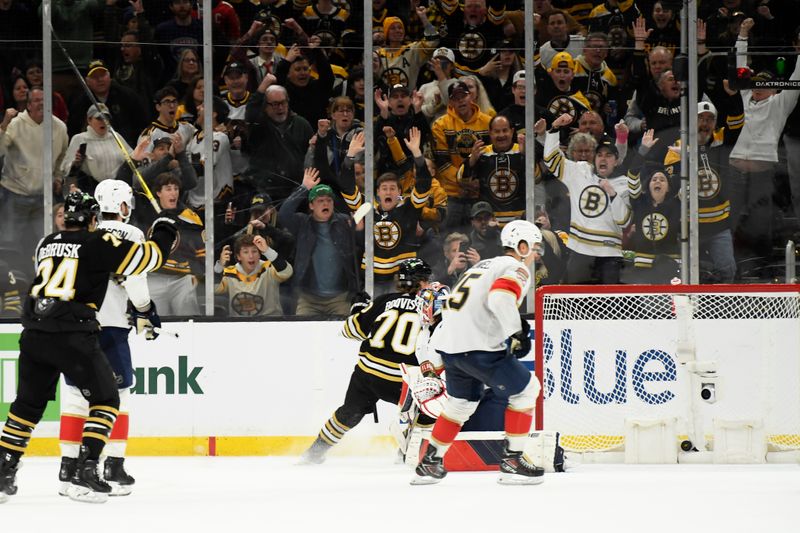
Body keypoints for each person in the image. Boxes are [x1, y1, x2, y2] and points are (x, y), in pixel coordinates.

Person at [0, 191, 176, 504]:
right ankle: (86, 468)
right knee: (107, 398)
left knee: (27, 406)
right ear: (92, 219)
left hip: (34, 333)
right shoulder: (97, 243)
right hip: (72, 334)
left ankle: (4, 470)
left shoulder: (46, 242)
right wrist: (164, 229)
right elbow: (148, 259)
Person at [412, 220, 544, 485]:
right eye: (535, 247)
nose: (536, 254)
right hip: (479, 346)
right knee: (528, 390)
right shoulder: (515, 266)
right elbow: (500, 298)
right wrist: (516, 332)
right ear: (521, 246)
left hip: (451, 348)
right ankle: (513, 460)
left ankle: (431, 461)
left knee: (461, 404)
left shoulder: (484, 265)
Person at [57, 180, 155, 497]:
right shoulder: (134, 235)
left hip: (76, 325)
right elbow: (135, 281)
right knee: (118, 396)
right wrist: (144, 311)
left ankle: (67, 468)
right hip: (111, 328)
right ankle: (113, 462)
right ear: (124, 206)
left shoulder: (86, 236)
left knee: (75, 397)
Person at [301, 258, 435, 464]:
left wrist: (358, 309)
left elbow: (350, 331)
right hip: (403, 380)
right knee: (425, 412)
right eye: (426, 280)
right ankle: (406, 453)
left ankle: (314, 452)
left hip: (368, 374)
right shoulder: (431, 308)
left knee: (348, 413)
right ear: (422, 282)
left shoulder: (384, 301)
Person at [278, 168, 360, 316]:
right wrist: (303, 189)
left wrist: (359, 230)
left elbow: (361, 248)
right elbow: (284, 214)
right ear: (311, 205)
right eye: (320, 201)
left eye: (329, 200)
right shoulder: (302, 223)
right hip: (308, 299)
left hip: (340, 298)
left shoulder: (344, 222)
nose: (325, 204)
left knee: (342, 336)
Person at [215, 233, 293, 317]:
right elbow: (213, 289)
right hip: (239, 326)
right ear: (238, 256)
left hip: (270, 324)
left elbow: (287, 272)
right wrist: (220, 266)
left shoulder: (269, 268)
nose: (251, 256)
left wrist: (267, 251)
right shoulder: (229, 272)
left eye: (254, 251)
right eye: (245, 252)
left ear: (260, 254)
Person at [62, 104, 133, 195]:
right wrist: (76, 163)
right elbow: (66, 169)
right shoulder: (80, 139)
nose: (103, 121)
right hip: (93, 190)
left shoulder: (116, 136)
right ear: (89, 120)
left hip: (118, 189)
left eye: (106, 118)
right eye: (99, 118)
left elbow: (131, 158)